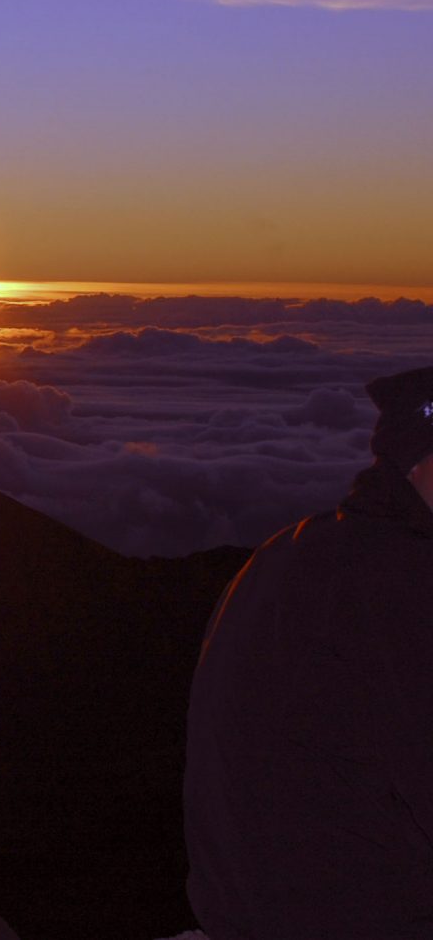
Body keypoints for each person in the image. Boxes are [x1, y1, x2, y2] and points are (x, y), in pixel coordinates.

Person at [183, 364, 433, 939]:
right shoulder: (401, 581)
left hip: (246, 905)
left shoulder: (290, 550)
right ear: (413, 467)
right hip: (353, 914)